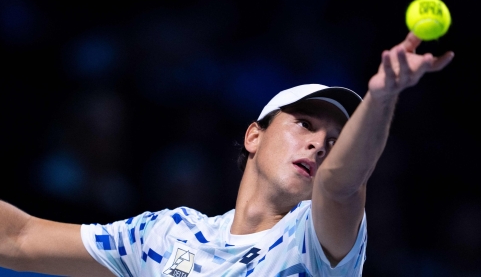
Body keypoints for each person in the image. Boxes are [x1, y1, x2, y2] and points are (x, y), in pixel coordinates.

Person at [0, 32, 454, 277]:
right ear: (254, 136)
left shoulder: (316, 244)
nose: (320, 144)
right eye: (305, 125)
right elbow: (19, 238)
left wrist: (380, 98)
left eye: (336, 140)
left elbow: (341, 184)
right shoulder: (166, 235)